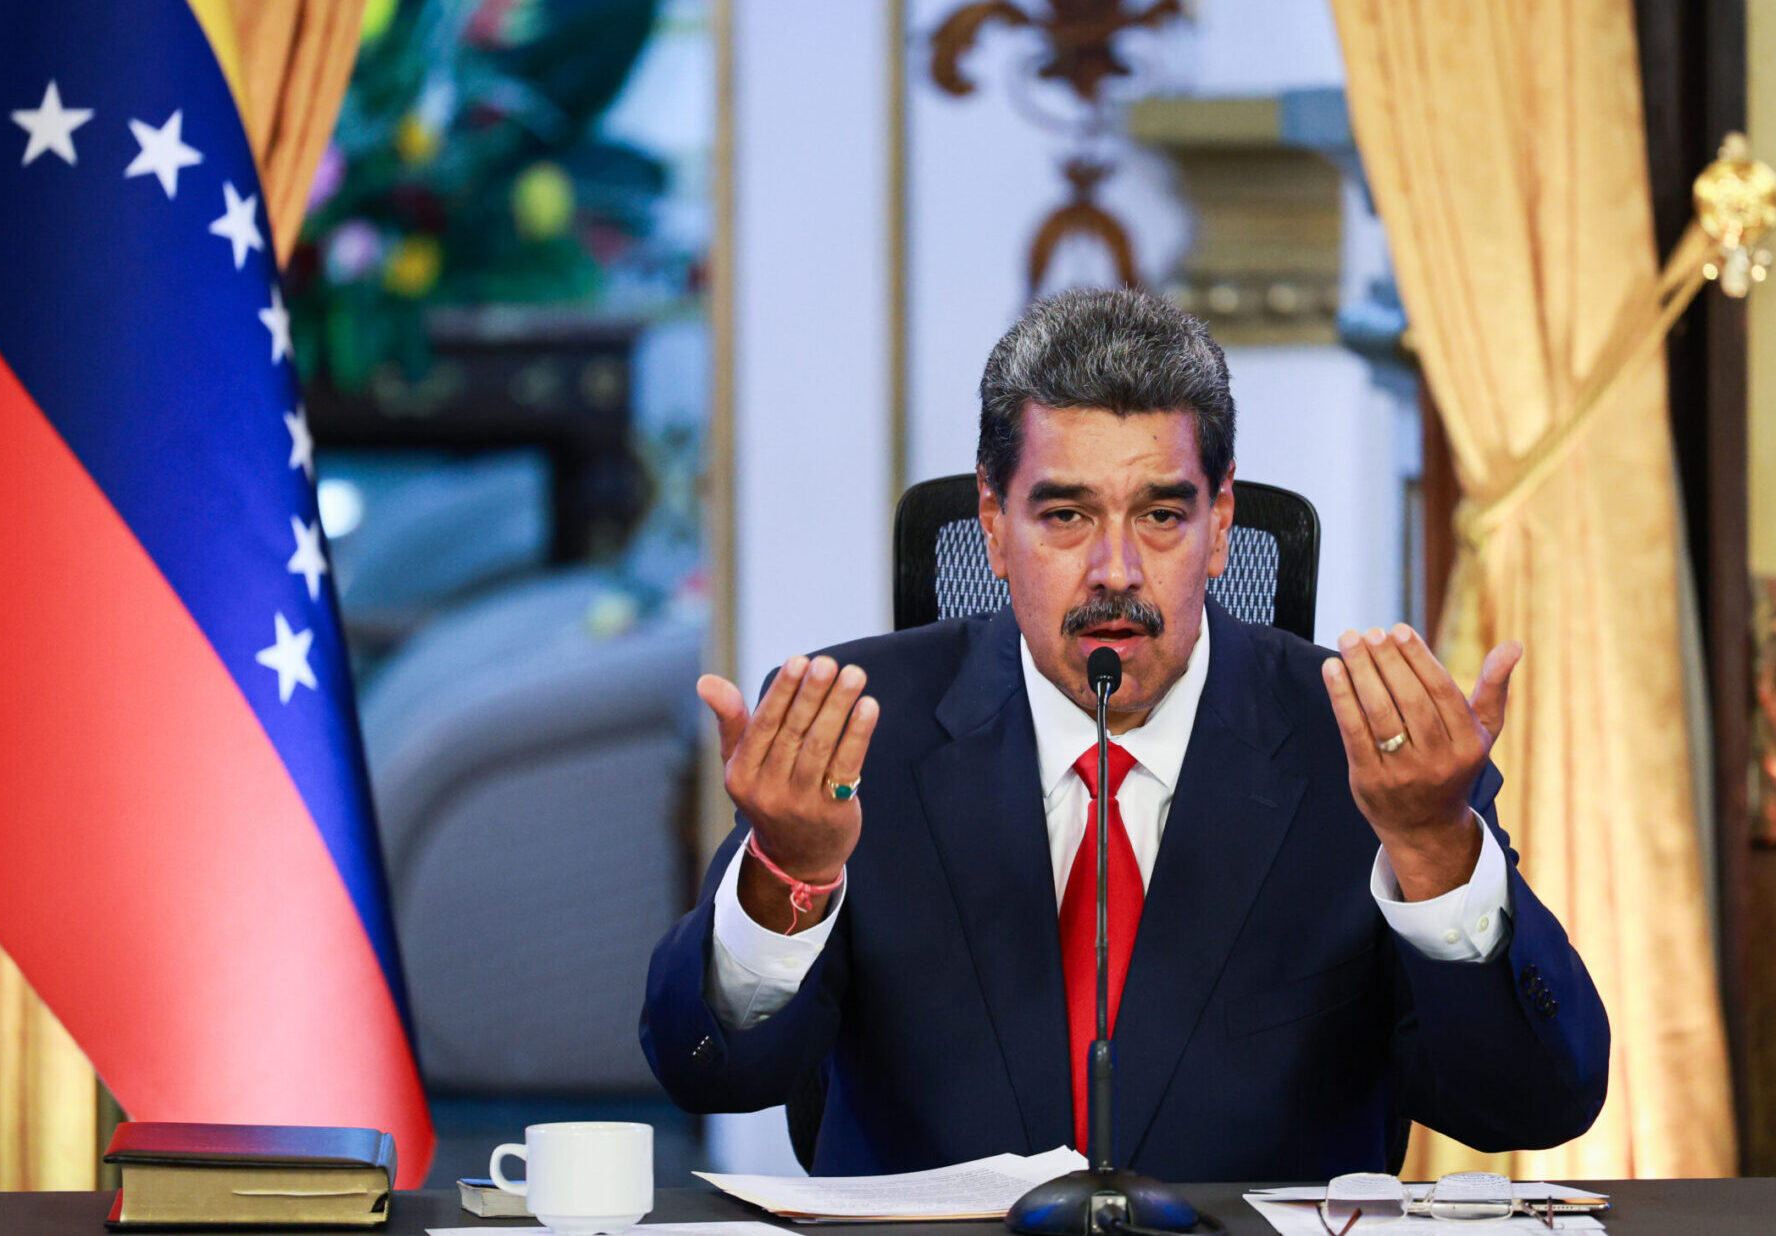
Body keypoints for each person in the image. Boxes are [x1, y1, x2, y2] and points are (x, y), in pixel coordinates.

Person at [642, 289, 1608, 1180]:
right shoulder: (855, 735)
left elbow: (1533, 1103)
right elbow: (714, 1074)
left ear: (1221, 524)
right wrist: (788, 877)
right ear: (991, 521)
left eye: (1160, 516)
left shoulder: (1368, 747)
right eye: (1064, 515)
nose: (1115, 570)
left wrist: (1436, 845)